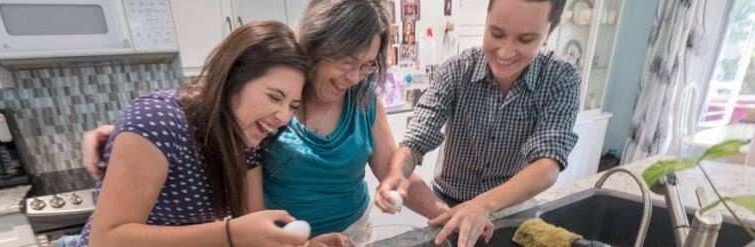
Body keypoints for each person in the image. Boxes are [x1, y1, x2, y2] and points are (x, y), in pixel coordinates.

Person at [82, 0, 473, 245]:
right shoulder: (240, 117)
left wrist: (443, 211)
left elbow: (393, 169)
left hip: (330, 236)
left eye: (366, 65)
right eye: (346, 61)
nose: (355, 76)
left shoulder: (264, 133)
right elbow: (195, 113)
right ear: (315, 48)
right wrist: (120, 133)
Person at [74, 20, 344, 247]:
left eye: (292, 106)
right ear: (230, 79)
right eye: (274, 97)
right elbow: (106, 239)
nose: (284, 116)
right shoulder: (159, 121)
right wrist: (230, 233)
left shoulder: (247, 138)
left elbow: (255, 228)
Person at [375, 0, 579, 246]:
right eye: (496, 33)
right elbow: (416, 139)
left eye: (525, 40)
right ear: (487, 19)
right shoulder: (457, 69)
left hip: (512, 208)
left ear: (552, 29)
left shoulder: (561, 78)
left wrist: (482, 205)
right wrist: (398, 172)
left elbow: (548, 165)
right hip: (446, 204)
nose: (505, 51)